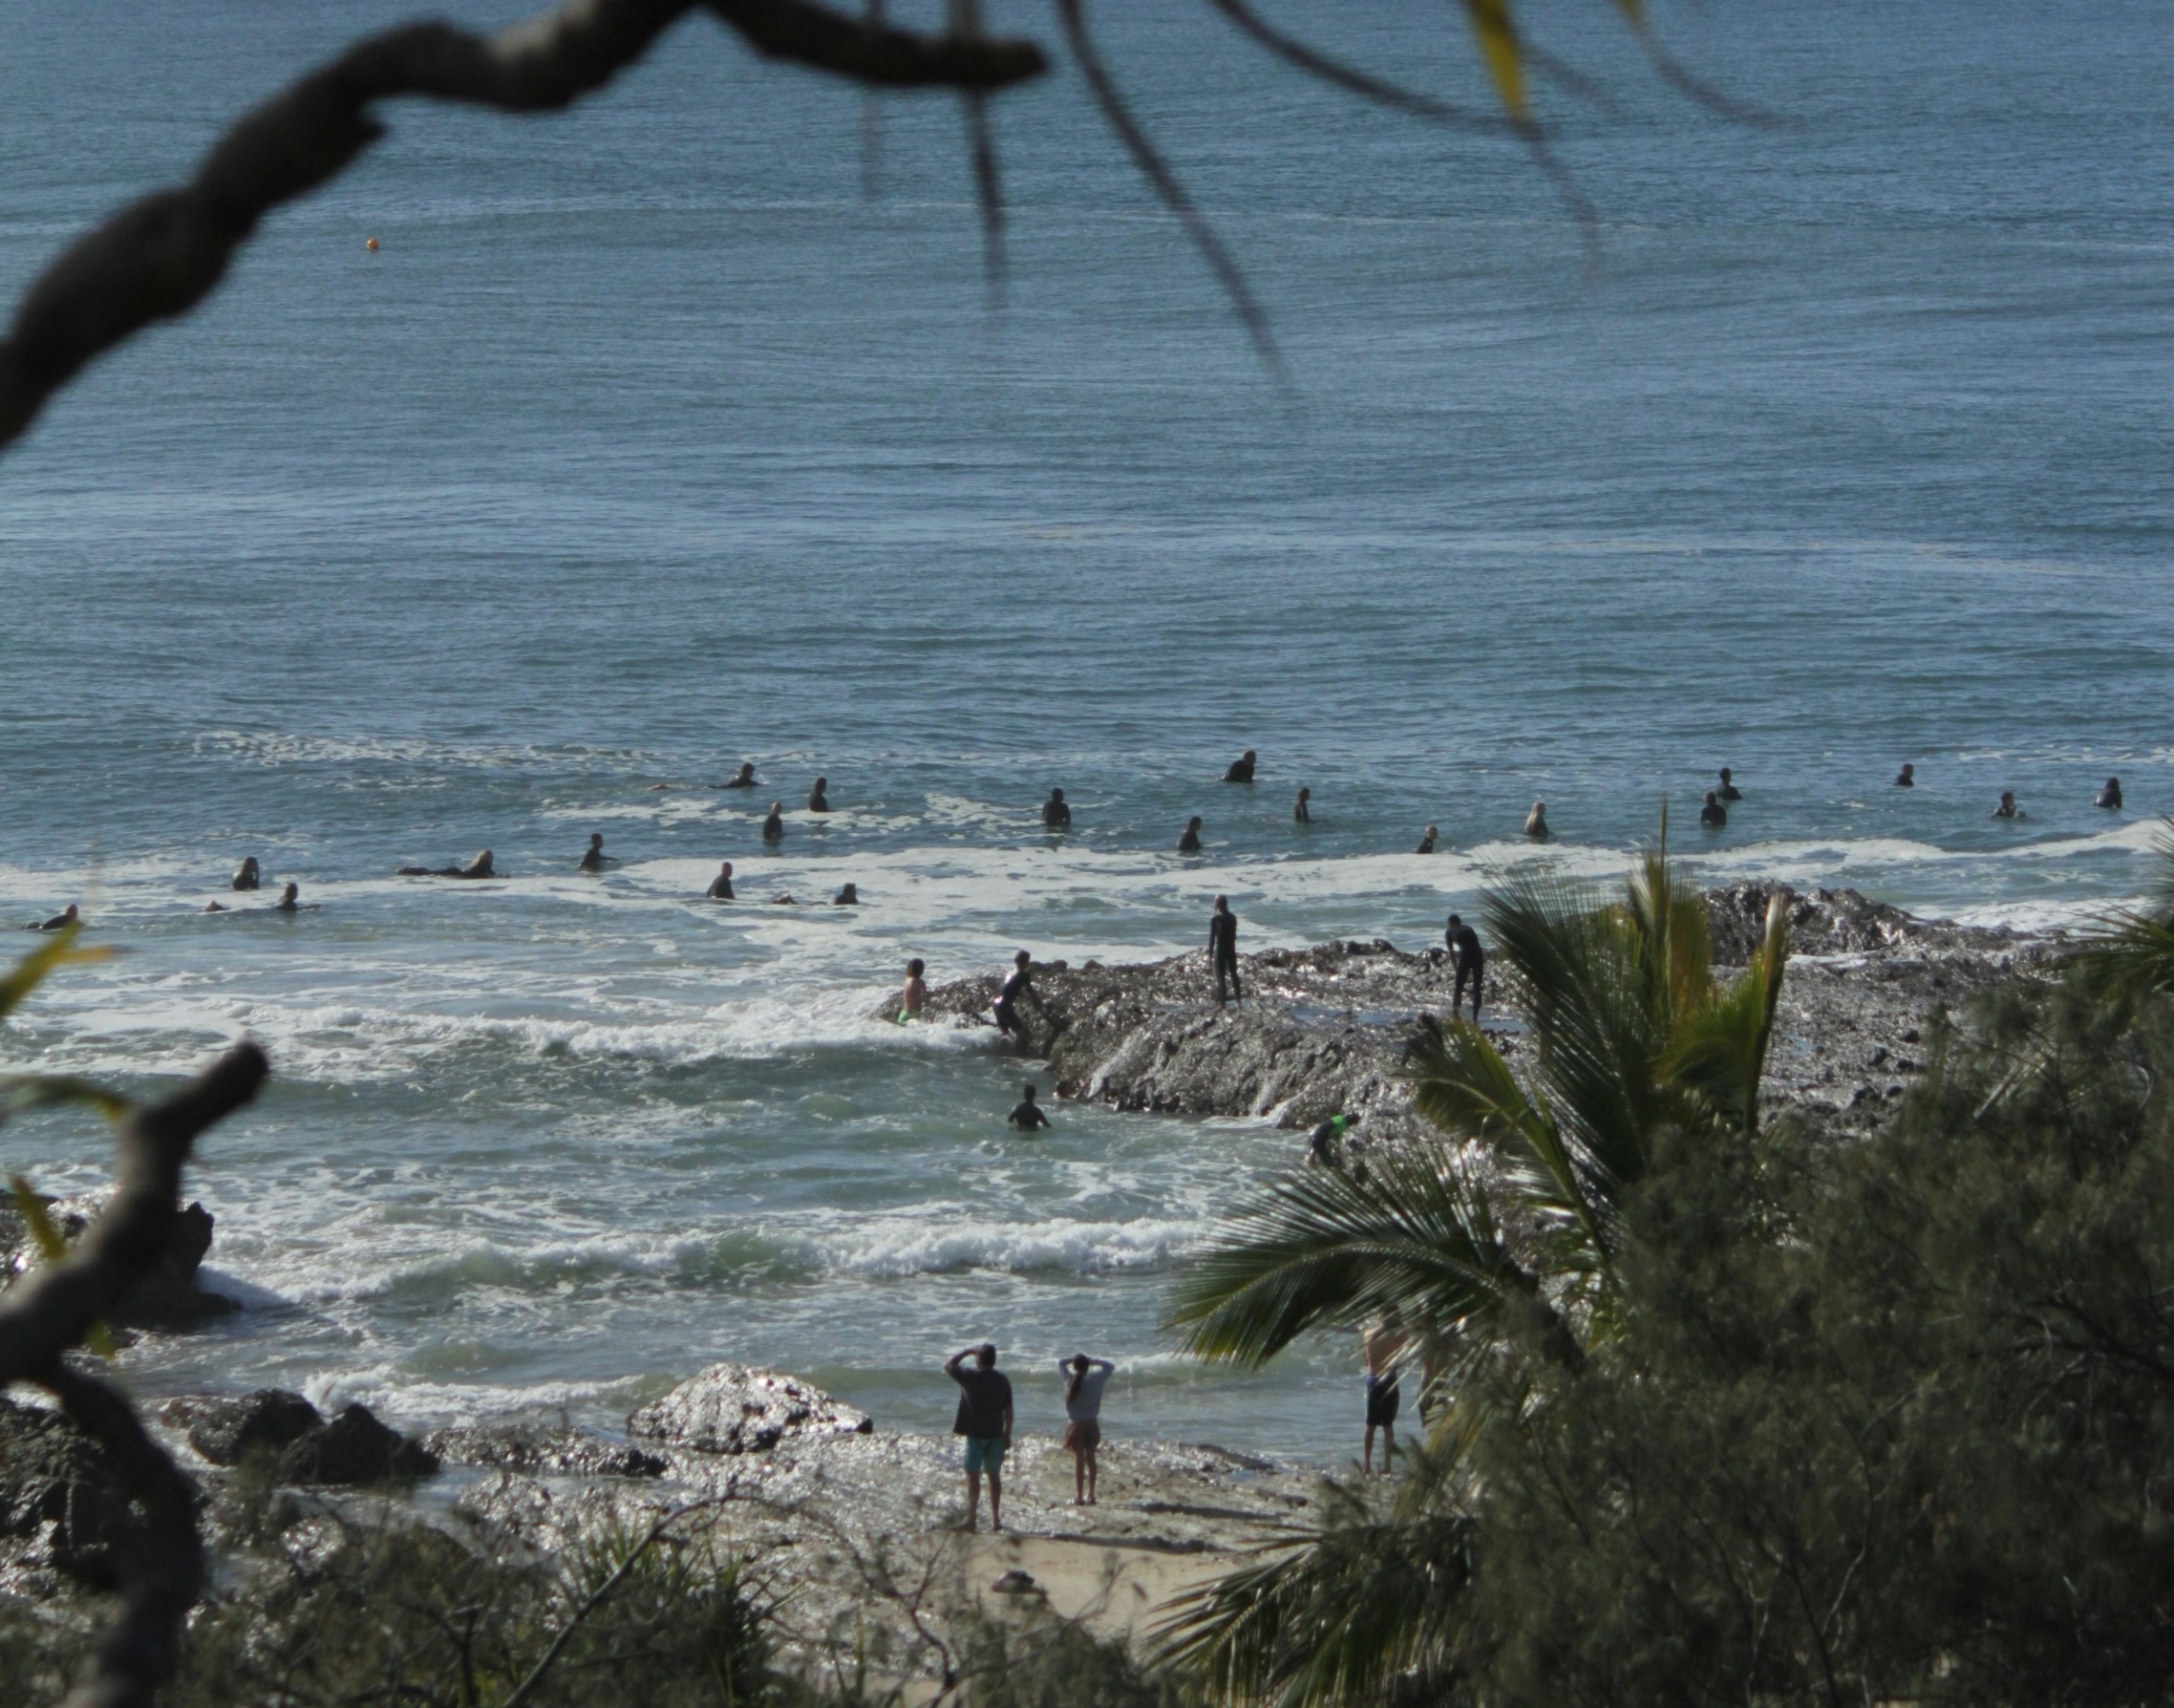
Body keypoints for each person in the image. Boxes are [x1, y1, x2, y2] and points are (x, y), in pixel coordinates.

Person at [944, 1343, 1013, 1531]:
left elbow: (948, 1365)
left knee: (973, 1478)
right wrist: (1007, 1434)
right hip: (996, 1435)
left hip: (975, 1435)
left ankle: (972, 1520)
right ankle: (996, 1520)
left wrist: (966, 1351)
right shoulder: (1002, 1380)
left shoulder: (970, 1377)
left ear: (978, 1359)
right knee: (994, 1477)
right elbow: (1009, 1410)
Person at [1059, 1354, 1115, 1505]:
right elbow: (1110, 1366)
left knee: (1079, 1460)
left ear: (1075, 1366)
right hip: (1091, 1425)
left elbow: (1061, 1362)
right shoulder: (1095, 1380)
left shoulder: (1069, 1380)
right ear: (1087, 1366)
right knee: (1090, 1458)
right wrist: (1093, 1361)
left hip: (1075, 1425)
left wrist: (1073, 1360)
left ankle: (1079, 1496)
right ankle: (1091, 1494)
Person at [1363, 1313, 1410, 1474]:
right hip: (1389, 1378)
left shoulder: (1368, 1333)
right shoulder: (1396, 1333)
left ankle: (1367, 1464)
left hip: (1372, 1379)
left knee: (1370, 1425)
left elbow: (1365, 1359)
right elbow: (1407, 1348)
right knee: (1387, 1426)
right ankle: (1387, 1466)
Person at [993, 950, 1040, 1049]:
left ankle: (1000, 1052)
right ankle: (1015, 1055)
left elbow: (1011, 990)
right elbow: (1031, 992)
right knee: (1021, 1033)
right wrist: (1039, 1005)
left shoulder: (1010, 973)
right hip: (1005, 1006)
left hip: (996, 1003)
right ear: (1026, 963)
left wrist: (1026, 998)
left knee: (1005, 1033)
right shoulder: (1024, 975)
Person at [1446, 913, 1484, 1021]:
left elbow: (1451, 952)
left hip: (1465, 954)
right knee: (1477, 988)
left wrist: (1455, 968)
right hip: (1478, 954)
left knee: (1458, 986)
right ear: (1459, 922)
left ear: (1450, 923)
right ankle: (1475, 1019)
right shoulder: (1468, 928)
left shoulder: (1449, 931)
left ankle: (1456, 1015)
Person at [1209, 894, 1241, 1006]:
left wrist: (1210, 954)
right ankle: (1239, 1001)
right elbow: (1234, 936)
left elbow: (1212, 938)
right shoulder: (1233, 918)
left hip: (1220, 950)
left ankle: (1223, 1005)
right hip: (1231, 950)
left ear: (1218, 904)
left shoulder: (1215, 919)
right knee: (1234, 975)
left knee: (1221, 977)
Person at [398, 850, 496, 878]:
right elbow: (485, 875)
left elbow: (490, 875)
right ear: (482, 858)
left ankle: (407, 870)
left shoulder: (485, 869)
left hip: (457, 872)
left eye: (491, 857)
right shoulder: (480, 868)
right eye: (488, 857)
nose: (490, 859)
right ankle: (406, 870)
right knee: (429, 873)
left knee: (429, 872)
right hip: (456, 873)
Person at [900, 957, 927, 1021]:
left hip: (903, 1015)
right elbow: (926, 997)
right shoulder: (920, 982)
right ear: (921, 970)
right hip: (912, 1016)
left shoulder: (906, 980)